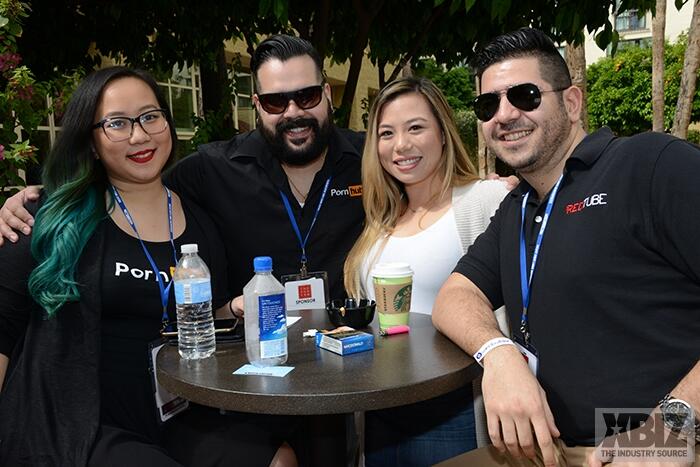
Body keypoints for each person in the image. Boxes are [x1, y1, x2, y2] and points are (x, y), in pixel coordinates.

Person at [0, 66, 296, 467]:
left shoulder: (200, 221)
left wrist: (235, 309)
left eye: (150, 116)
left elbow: (205, 316)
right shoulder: (50, 219)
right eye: (117, 123)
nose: (140, 136)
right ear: (91, 142)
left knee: (278, 459)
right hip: (78, 421)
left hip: (174, 411)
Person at [432, 27, 700, 467]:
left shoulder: (647, 164)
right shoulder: (517, 207)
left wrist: (674, 425)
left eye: (525, 96)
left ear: (572, 103)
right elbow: (454, 296)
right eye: (488, 105)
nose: (504, 115)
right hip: (553, 448)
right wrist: (498, 354)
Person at [343, 76, 509, 466]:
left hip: (456, 411)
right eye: (387, 133)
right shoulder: (378, 224)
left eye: (415, 127)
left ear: (444, 134)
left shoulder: (485, 200)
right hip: (381, 413)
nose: (401, 145)